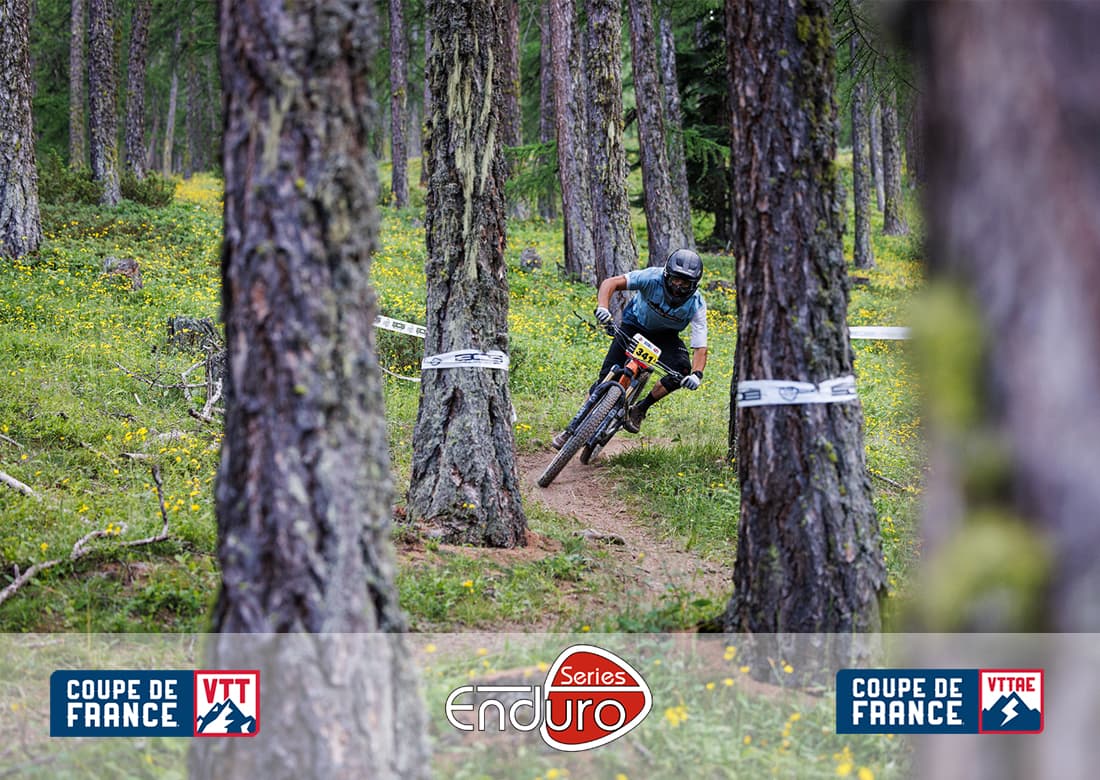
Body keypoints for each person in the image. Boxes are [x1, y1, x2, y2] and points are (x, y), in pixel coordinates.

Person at [552, 248, 708, 448]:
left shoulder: (697, 304)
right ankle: (573, 429)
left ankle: (640, 409)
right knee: (604, 380)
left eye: (685, 282)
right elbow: (611, 283)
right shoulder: (651, 277)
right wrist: (602, 307)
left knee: (682, 371)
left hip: (666, 337)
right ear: (667, 275)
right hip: (634, 326)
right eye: (675, 279)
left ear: (693, 285)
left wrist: (696, 374)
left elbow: (700, 345)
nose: (678, 286)